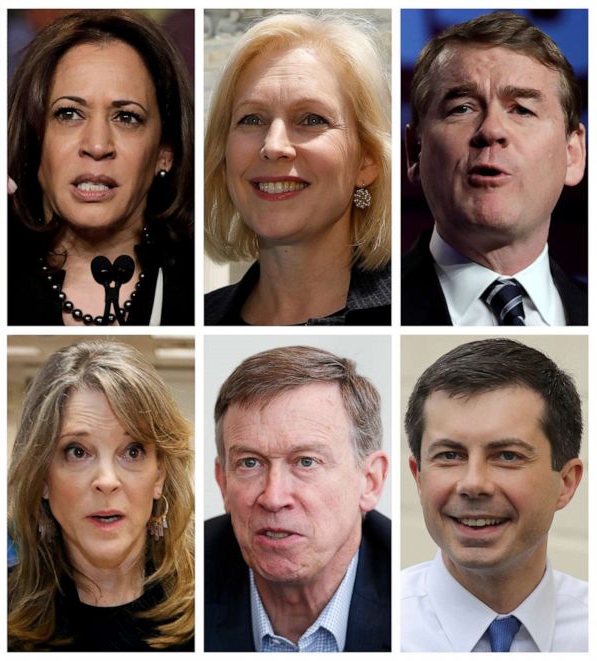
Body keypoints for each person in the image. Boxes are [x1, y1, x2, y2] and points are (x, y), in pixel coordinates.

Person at [7, 10, 194, 326]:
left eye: (127, 117)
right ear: (34, 140)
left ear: (165, 153)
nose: (96, 145)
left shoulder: (195, 294)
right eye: (69, 114)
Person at [204, 12, 391, 325]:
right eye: (252, 119)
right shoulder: (203, 316)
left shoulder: (408, 308)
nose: (274, 145)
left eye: (311, 119)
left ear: (366, 160)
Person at [403, 11, 587, 326]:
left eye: (522, 110)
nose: (491, 130)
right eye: (461, 108)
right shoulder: (373, 311)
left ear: (573, 154)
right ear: (415, 150)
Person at [402, 338, 586, 652]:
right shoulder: (386, 626)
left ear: (566, 483)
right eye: (449, 455)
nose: (473, 484)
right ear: (419, 477)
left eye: (508, 456)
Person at [8, 341, 193, 650]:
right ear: (42, 477)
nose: (106, 481)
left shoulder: (214, 608)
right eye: (77, 452)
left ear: (159, 474)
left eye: (132, 451)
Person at [207, 346, 390, 652]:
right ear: (223, 482)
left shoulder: (407, 597)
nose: (274, 498)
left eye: (306, 462)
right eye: (250, 463)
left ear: (370, 481)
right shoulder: (186, 578)